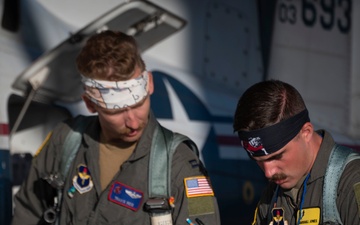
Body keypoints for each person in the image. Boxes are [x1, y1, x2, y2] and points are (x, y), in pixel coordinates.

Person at [12, 30, 221, 225]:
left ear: (149, 84)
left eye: (139, 104)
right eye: (116, 111)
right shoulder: (65, 141)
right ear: (90, 103)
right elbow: (28, 211)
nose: (132, 121)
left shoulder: (181, 163)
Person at [233, 80, 360, 225]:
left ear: (306, 132)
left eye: (277, 156)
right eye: (259, 160)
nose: (268, 172)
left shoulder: (351, 181)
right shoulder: (273, 195)